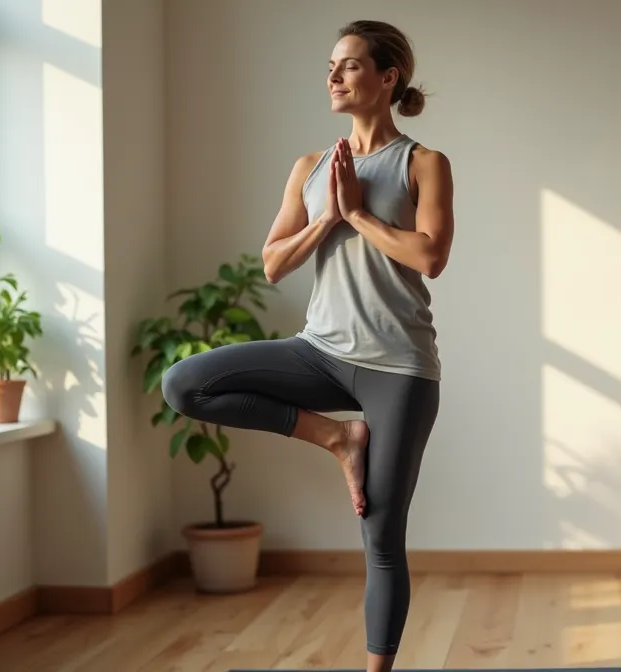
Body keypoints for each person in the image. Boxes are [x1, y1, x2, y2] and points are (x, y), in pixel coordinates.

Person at [160, 19, 453, 672]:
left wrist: (358, 214)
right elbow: (272, 264)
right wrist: (326, 217)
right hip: (318, 351)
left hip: (399, 367)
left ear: (388, 77)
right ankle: (338, 438)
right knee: (184, 384)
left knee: (380, 535)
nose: (333, 76)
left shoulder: (423, 163)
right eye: (330, 66)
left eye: (349, 65)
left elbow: (430, 257)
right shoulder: (311, 168)